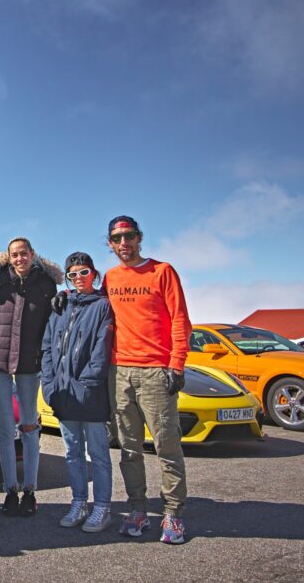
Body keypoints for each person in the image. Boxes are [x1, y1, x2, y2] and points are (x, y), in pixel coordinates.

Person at [103, 215, 192, 544]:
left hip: (156, 371)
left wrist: (177, 365)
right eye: (117, 238)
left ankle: (173, 513)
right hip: (119, 372)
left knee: (167, 445)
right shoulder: (110, 278)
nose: (123, 243)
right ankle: (137, 509)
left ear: (139, 238)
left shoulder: (162, 271)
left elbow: (180, 319)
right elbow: (94, 307)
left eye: (129, 236)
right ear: (110, 244)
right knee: (129, 448)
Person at [0, 237, 59, 516]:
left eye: (24, 253)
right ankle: (10, 489)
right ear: (8, 257)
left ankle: (30, 490)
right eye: (15, 255)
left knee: (29, 426)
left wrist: (43, 354)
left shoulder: (46, 285)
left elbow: (52, 324)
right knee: (5, 427)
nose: (20, 258)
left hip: (29, 365)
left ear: (32, 254)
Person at [40, 251, 115, 533]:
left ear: (94, 274)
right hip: (62, 393)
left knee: (98, 453)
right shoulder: (61, 306)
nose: (79, 278)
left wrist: (87, 382)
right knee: (72, 452)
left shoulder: (103, 305)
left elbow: (102, 348)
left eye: (84, 272)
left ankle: (102, 507)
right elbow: (47, 346)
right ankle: (79, 502)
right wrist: (49, 384)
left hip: (91, 394)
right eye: (73, 274)